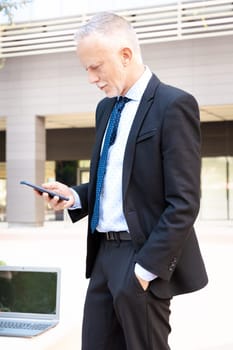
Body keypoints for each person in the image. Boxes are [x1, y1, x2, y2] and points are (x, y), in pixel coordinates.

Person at [40, 12, 208, 350]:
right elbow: (115, 182)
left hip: (141, 256)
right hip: (103, 257)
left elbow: (184, 203)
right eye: (85, 68)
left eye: (95, 67)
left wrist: (146, 270)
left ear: (125, 55)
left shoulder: (173, 105)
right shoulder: (105, 109)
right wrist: (74, 196)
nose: (91, 78)